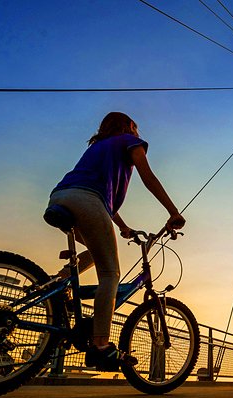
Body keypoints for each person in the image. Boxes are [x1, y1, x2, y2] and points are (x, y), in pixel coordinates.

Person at [47, 111, 185, 370]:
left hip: (61, 196)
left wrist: (123, 227)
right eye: (135, 127)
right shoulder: (129, 141)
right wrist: (173, 211)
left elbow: (101, 196)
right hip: (87, 201)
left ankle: (60, 281)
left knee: (93, 252)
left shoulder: (99, 146)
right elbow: (148, 176)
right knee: (110, 273)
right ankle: (101, 345)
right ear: (129, 127)